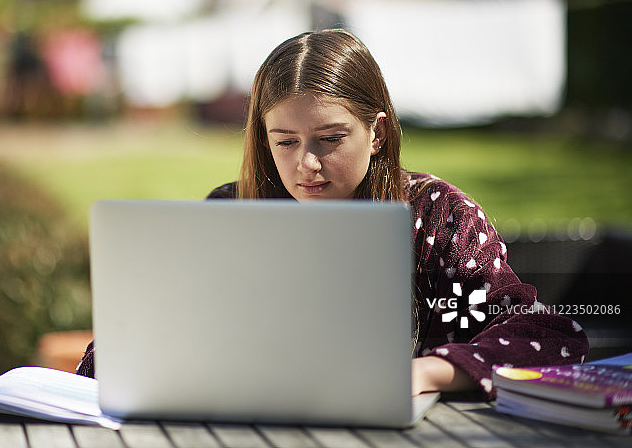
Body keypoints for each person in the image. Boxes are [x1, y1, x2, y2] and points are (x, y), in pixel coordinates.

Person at [77, 29, 588, 399]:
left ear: (378, 132)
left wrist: (431, 372)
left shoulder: (437, 218)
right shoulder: (234, 212)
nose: (308, 165)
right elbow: (148, 333)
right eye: (286, 142)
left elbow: (545, 337)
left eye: (330, 139)